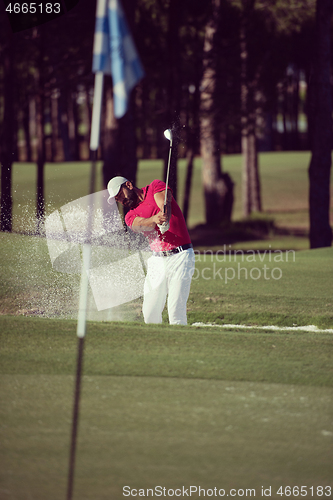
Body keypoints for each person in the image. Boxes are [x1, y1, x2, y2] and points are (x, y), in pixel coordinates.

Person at [107, 176, 195, 325]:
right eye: (117, 199)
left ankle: (179, 347)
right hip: (157, 261)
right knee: (149, 313)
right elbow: (139, 224)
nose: (121, 200)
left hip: (180, 256)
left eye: (120, 195)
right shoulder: (130, 215)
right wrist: (155, 219)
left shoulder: (155, 186)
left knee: (175, 311)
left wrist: (164, 215)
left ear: (128, 185)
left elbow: (164, 201)